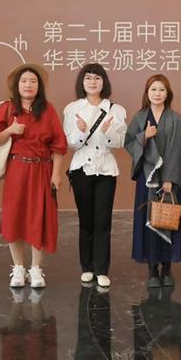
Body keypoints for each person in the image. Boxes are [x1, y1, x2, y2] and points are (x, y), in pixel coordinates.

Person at [0, 63, 67, 289]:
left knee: (39, 217)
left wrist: (56, 174)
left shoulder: (48, 110)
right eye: (24, 81)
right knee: (14, 216)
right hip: (17, 170)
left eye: (33, 81)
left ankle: (35, 269)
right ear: (17, 85)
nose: (28, 85)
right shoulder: (8, 108)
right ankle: (18, 268)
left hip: (42, 170)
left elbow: (58, 145)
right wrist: (10, 130)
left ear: (39, 86)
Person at [125, 74, 181, 288]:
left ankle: (167, 269)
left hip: (170, 179)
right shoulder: (140, 117)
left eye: (161, 90)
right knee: (149, 221)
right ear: (147, 93)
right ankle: (152, 270)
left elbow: (179, 151)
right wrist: (144, 137)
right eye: (153, 89)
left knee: (169, 219)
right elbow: (129, 143)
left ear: (168, 94)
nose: (157, 93)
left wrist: (169, 179)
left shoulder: (175, 119)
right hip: (147, 179)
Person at [63, 63, 127, 288]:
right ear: (82, 82)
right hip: (81, 168)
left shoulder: (116, 110)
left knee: (103, 220)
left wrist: (108, 132)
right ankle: (87, 267)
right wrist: (80, 132)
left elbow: (120, 142)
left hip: (106, 169)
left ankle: (101, 269)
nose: (92, 82)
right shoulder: (72, 108)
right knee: (86, 220)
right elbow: (70, 143)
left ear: (104, 82)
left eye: (97, 78)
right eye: (88, 78)